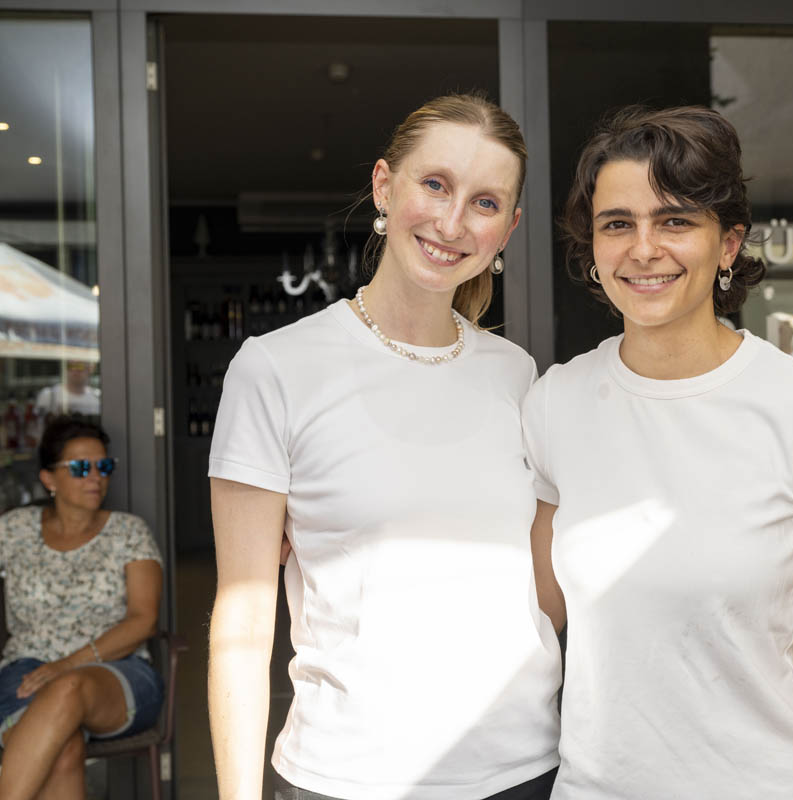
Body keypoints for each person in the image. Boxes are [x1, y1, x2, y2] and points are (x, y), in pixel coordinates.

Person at [523, 106, 793, 799]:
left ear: (728, 245)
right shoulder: (556, 403)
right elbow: (532, 620)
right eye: (618, 224)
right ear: (593, 246)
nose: (644, 249)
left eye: (675, 221)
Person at [208, 93, 562, 800]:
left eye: (485, 202)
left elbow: (539, 587)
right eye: (435, 184)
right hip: (348, 775)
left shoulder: (517, 375)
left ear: (509, 228)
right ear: (383, 186)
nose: (452, 223)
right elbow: (244, 622)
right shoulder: (276, 369)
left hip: (525, 770)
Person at [0, 416, 164, 800]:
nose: (95, 477)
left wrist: (65, 665)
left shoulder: (129, 532)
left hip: (117, 672)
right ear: (48, 479)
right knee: (64, 749)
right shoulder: (14, 528)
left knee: (68, 688)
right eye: (80, 468)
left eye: (103, 466)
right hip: (26, 670)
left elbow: (143, 621)